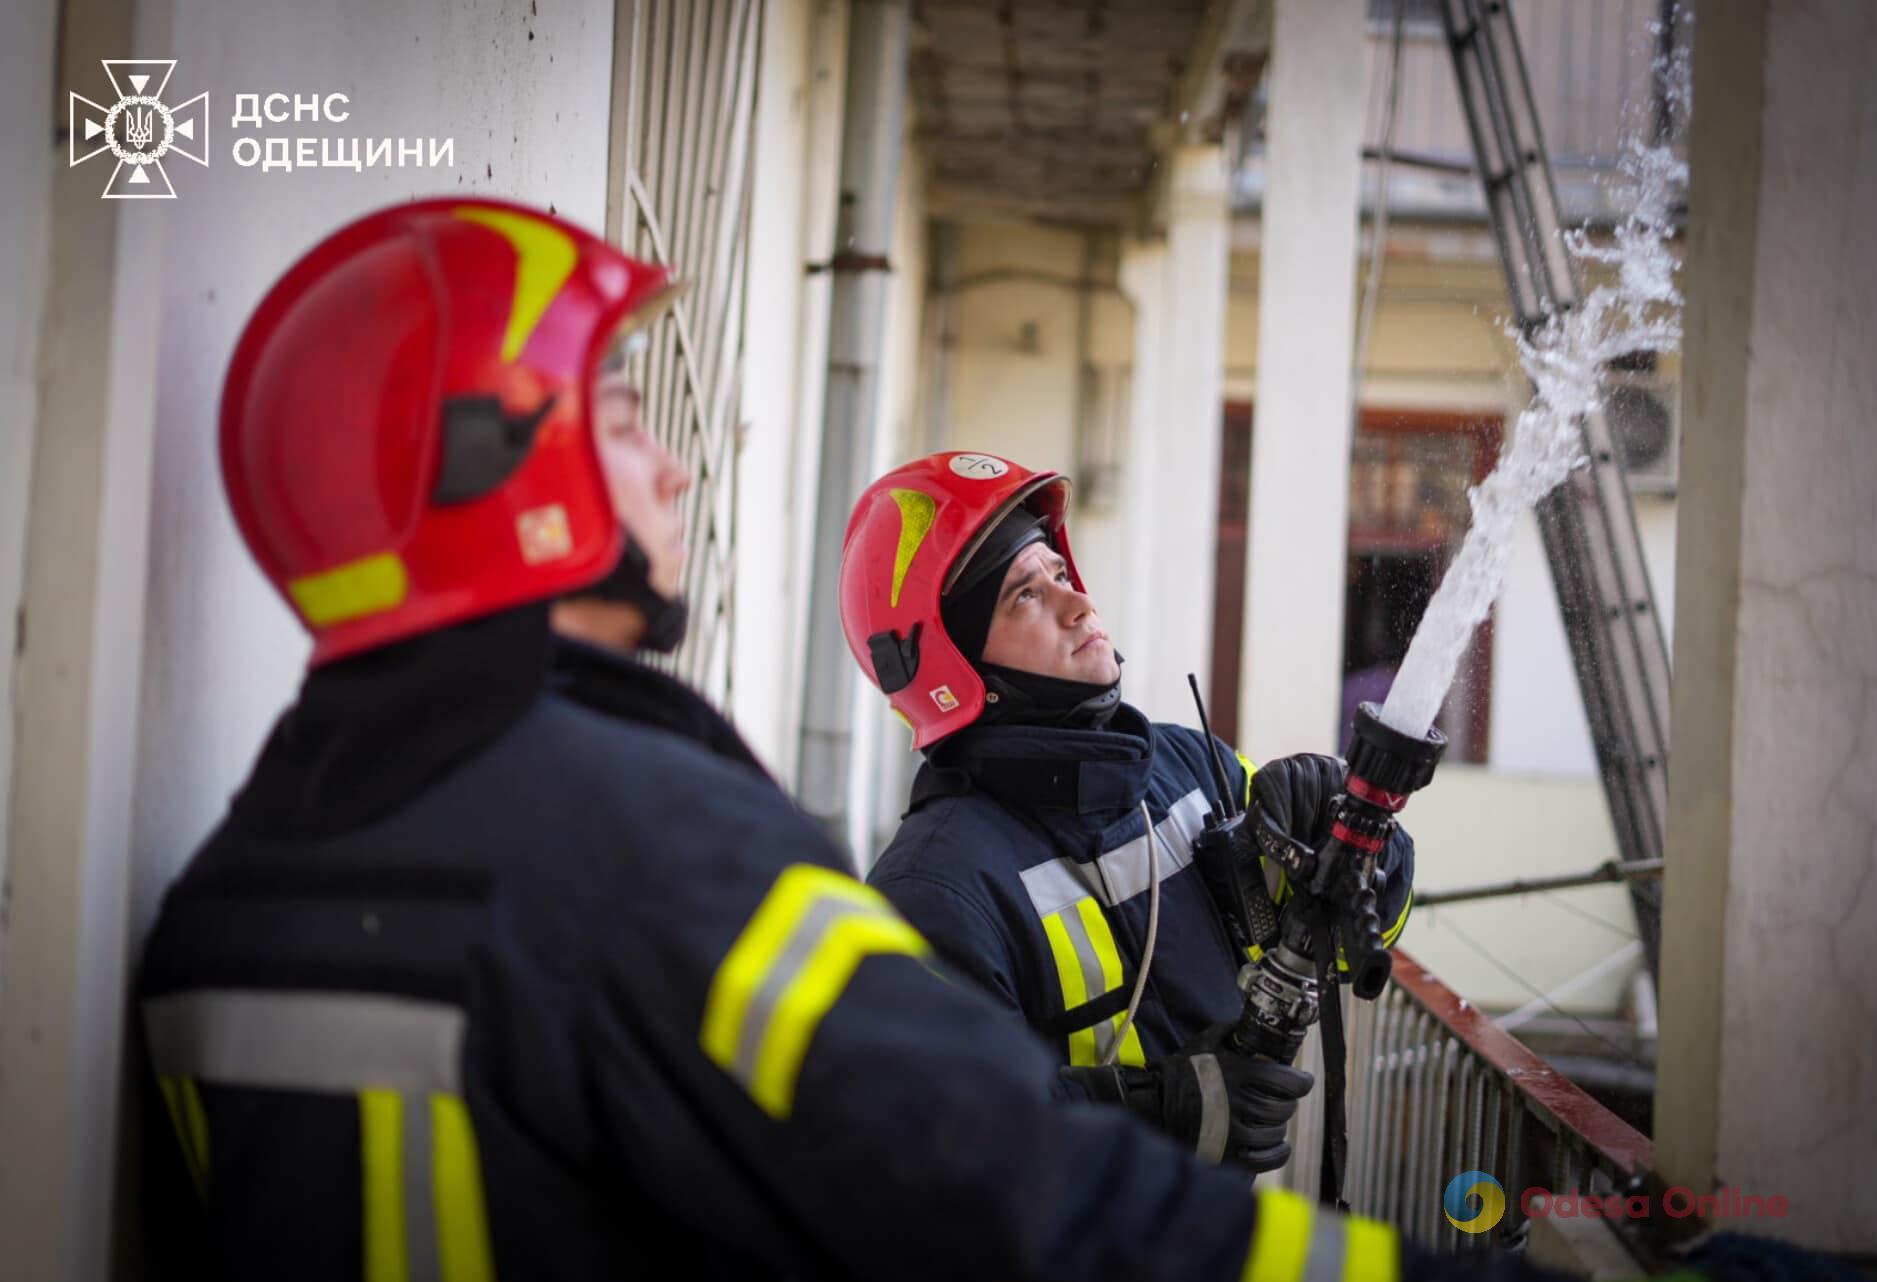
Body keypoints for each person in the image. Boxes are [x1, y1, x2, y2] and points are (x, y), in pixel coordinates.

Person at [135, 198, 1547, 1282]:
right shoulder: (640, 840)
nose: (675, 465)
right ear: (495, 476)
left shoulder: (222, 901)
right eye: (625, 421)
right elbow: (1013, 1191)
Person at [840, 451, 1418, 1173]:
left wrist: (1350, 836)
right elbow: (923, 1138)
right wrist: (1165, 1110)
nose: (1078, 604)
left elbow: (1354, 938)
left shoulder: (1188, 766)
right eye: (1024, 596)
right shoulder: (935, 890)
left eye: (1057, 572)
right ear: (954, 672)